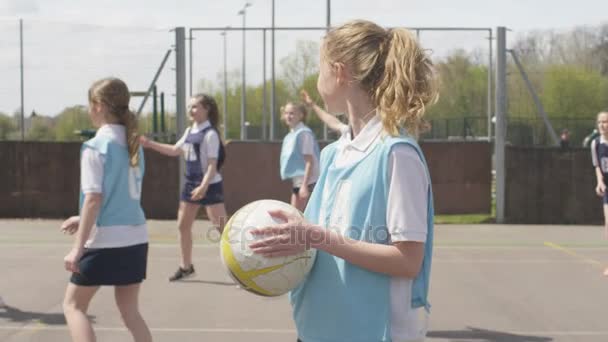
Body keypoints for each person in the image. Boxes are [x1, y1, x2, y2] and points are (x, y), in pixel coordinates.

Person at [250, 20, 437, 342]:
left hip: (373, 331)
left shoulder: (396, 155)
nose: (317, 78)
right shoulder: (336, 153)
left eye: (319, 68)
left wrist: (316, 237)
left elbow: (408, 261)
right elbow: (319, 241)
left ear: (339, 72)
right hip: (318, 327)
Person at [61, 77, 152, 342]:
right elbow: (120, 196)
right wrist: (82, 217)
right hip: (136, 238)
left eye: (89, 104)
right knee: (130, 312)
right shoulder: (134, 145)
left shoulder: (96, 146)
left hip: (105, 241)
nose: (88, 110)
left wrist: (78, 249)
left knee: (73, 306)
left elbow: (94, 198)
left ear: (99, 106)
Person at [140, 94, 227, 281]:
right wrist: (149, 144)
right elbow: (174, 150)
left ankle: (241, 268)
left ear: (207, 109)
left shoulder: (210, 134)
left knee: (222, 228)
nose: (191, 110)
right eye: (190, 107)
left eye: (195, 106)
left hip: (209, 185)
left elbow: (212, 165)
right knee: (183, 226)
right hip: (190, 184)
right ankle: (186, 267)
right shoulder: (189, 131)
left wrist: (204, 187)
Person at [280, 102, 321, 212]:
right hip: (298, 182)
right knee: (294, 213)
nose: (288, 116)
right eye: (286, 113)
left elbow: (310, 161)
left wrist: (304, 186)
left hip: (309, 182)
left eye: (292, 113)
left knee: (301, 216)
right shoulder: (291, 134)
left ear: (301, 115)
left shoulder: (304, 134)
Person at [590, 110, 608, 276]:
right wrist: (600, 182)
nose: (603, 125)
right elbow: (597, 166)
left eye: (606, 121)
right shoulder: (595, 144)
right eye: (601, 122)